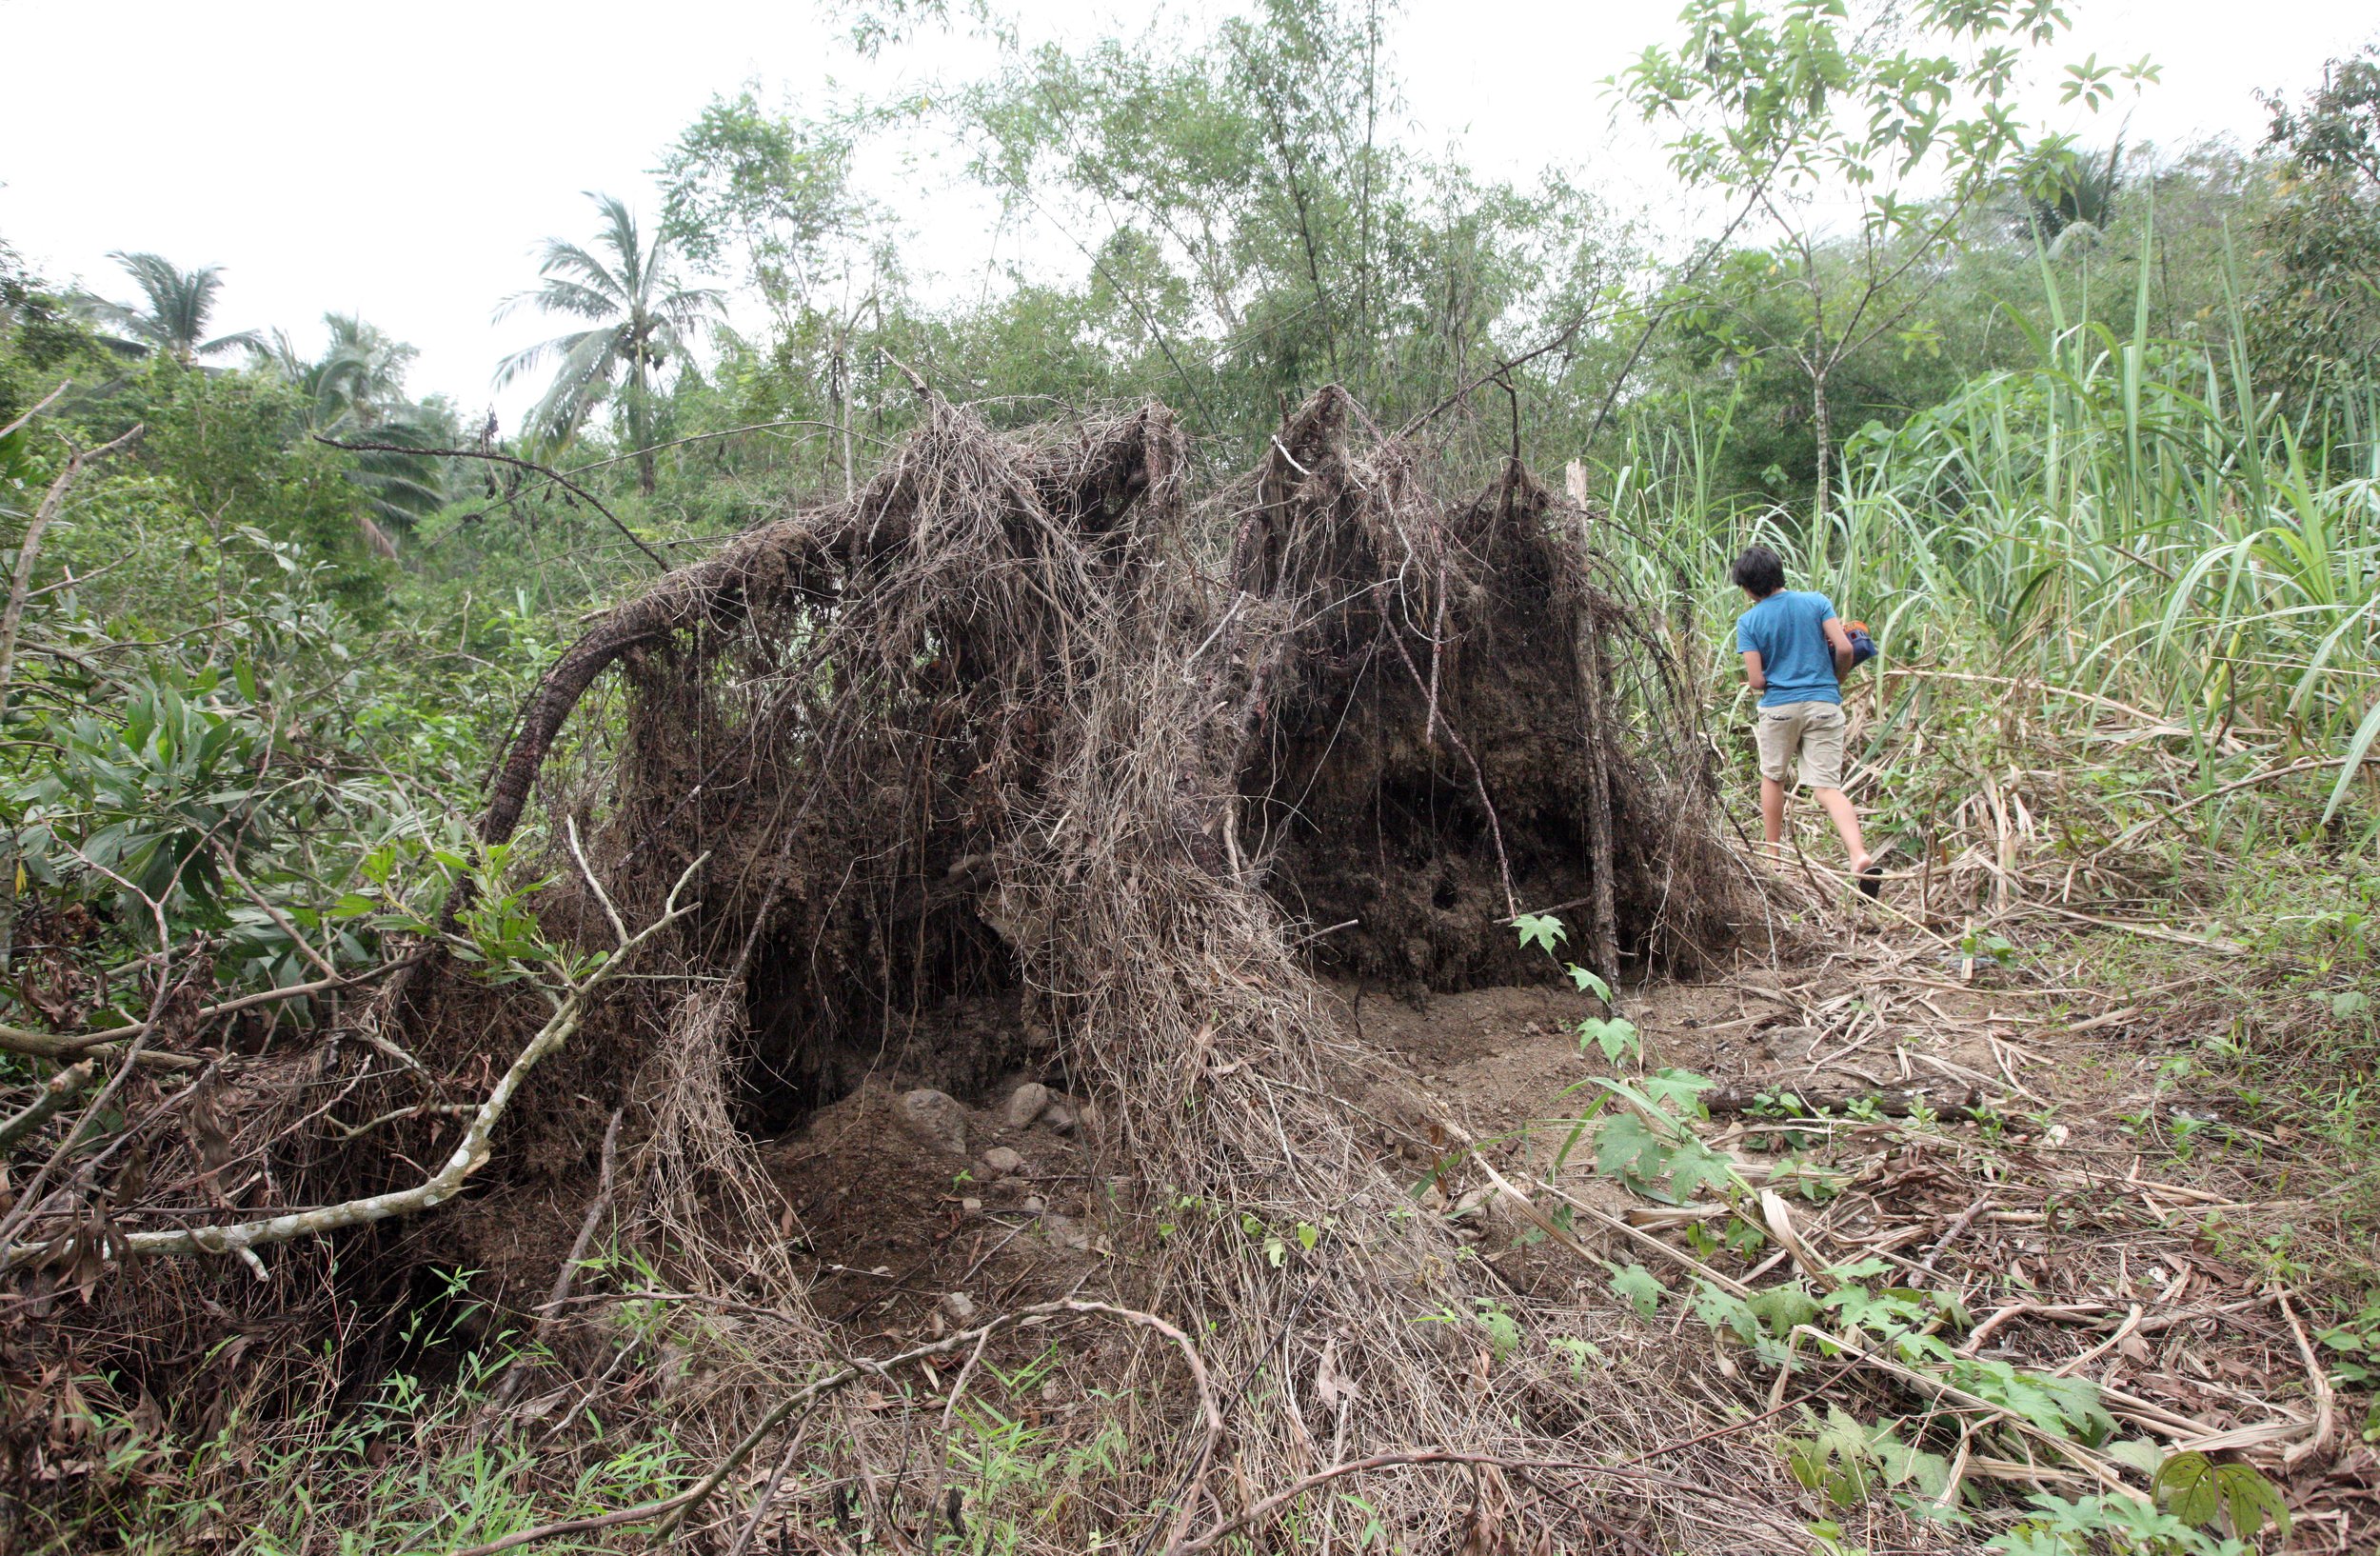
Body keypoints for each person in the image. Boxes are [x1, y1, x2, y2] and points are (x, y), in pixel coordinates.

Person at [1730, 545, 1877, 896]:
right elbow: (1844, 649)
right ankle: (1858, 855)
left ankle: (1774, 857)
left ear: (1748, 588)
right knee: (1827, 788)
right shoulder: (1816, 601)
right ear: (1780, 574)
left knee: (1773, 777)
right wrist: (1833, 681)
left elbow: (1756, 681)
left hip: (1779, 707)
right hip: (1824, 703)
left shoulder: (1749, 621)